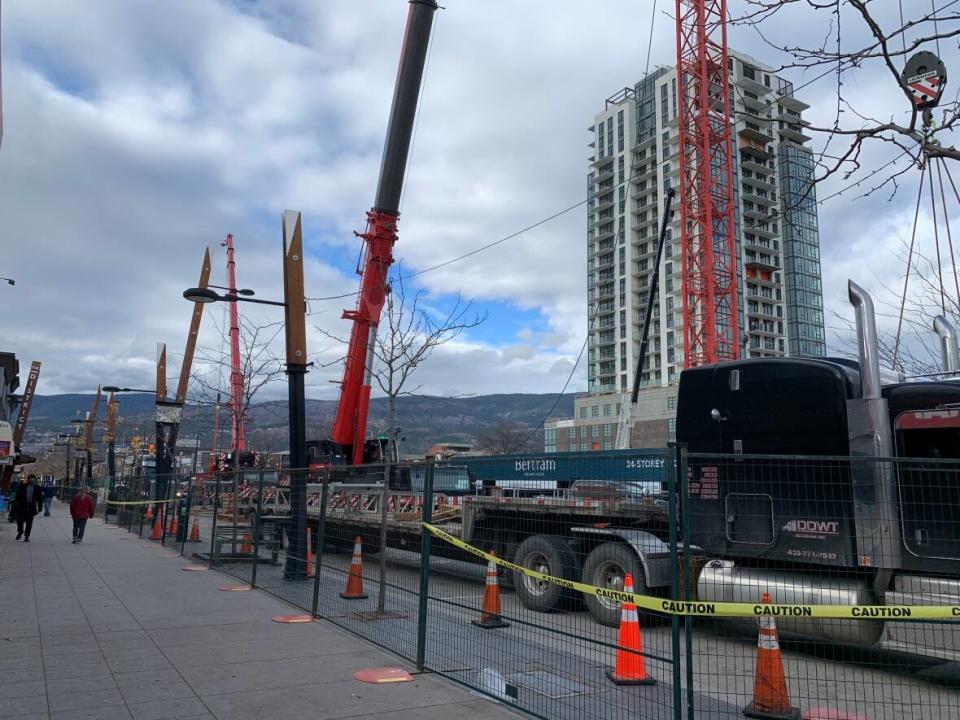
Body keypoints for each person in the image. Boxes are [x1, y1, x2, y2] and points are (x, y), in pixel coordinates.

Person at [13, 474, 43, 541]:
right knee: (19, 521)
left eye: (33, 478)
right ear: (28, 479)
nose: (32, 480)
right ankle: (20, 532)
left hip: (31, 506)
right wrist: (17, 502)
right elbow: (17, 495)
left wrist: (40, 507)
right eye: (30, 478)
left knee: (29, 522)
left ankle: (27, 536)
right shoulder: (23, 486)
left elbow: (40, 498)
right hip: (22, 506)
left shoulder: (37, 487)